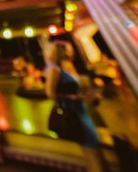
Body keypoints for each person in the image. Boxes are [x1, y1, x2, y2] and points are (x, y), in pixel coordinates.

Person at [45, 40, 108, 172]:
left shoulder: (69, 66)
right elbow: (50, 93)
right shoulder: (55, 69)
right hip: (73, 112)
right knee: (90, 144)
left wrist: (89, 95)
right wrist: (73, 97)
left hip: (81, 110)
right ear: (61, 52)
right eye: (67, 49)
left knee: (91, 145)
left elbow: (76, 88)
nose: (70, 51)